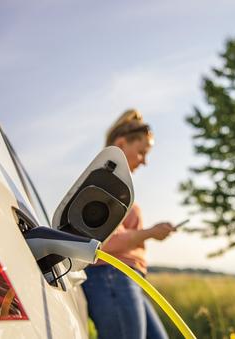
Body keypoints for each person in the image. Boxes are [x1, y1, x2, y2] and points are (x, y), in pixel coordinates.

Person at [82, 109, 175, 339]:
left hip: (124, 279)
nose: (144, 161)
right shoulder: (104, 183)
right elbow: (105, 242)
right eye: (142, 152)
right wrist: (151, 233)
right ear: (122, 144)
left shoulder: (116, 185)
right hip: (111, 277)